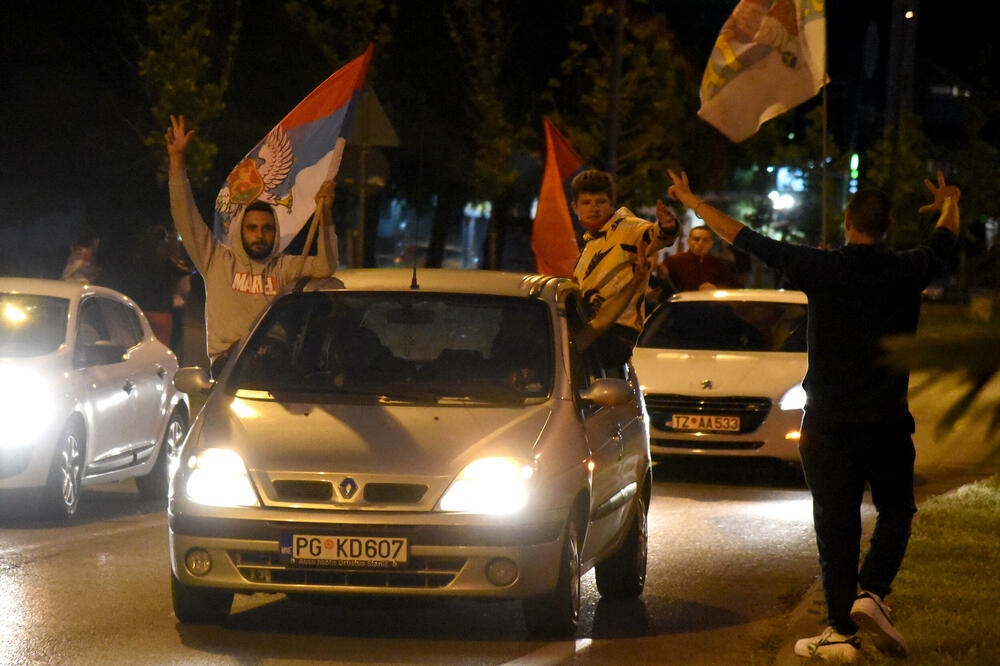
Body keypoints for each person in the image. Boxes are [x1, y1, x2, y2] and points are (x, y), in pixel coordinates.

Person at [667, 167, 960, 663]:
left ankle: (840, 631)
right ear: (888, 226)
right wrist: (950, 200)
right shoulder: (909, 269)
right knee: (897, 508)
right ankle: (873, 591)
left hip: (827, 423)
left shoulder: (819, 267)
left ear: (847, 222)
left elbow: (745, 236)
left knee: (836, 525)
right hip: (887, 421)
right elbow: (945, 237)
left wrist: (693, 201)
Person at [166, 115, 338, 377]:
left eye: (267, 229)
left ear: (275, 233)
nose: (260, 235)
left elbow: (325, 266)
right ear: (241, 231)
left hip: (275, 367)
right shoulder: (216, 260)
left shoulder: (283, 267)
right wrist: (177, 161)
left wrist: (325, 215)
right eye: (252, 228)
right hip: (229, 368)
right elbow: (184, 216)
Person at [570, 169, 679, 367]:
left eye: (601, 201)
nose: (594, 208)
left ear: (611, 203)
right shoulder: (589, 243)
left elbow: (655, 235)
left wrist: (667, 227)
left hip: (616, 332)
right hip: (591, 329)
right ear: (575, 207)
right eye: (586, 203)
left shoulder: (628, 227)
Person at [130, 224, 192, 350]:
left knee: (141, 350)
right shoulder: (169, 263)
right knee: (162, 351)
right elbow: (184, 288)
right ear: (163, 242)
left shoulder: (136, 262)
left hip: (139, 313)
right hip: (162, 312)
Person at [666, 224, 740, 291]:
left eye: (705, 240)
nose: (700, 243)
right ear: (689, 241)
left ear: (711, 244)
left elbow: (732, 286)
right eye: (696, 239)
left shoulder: (718, 263)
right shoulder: (674, 261)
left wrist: (716, 288)